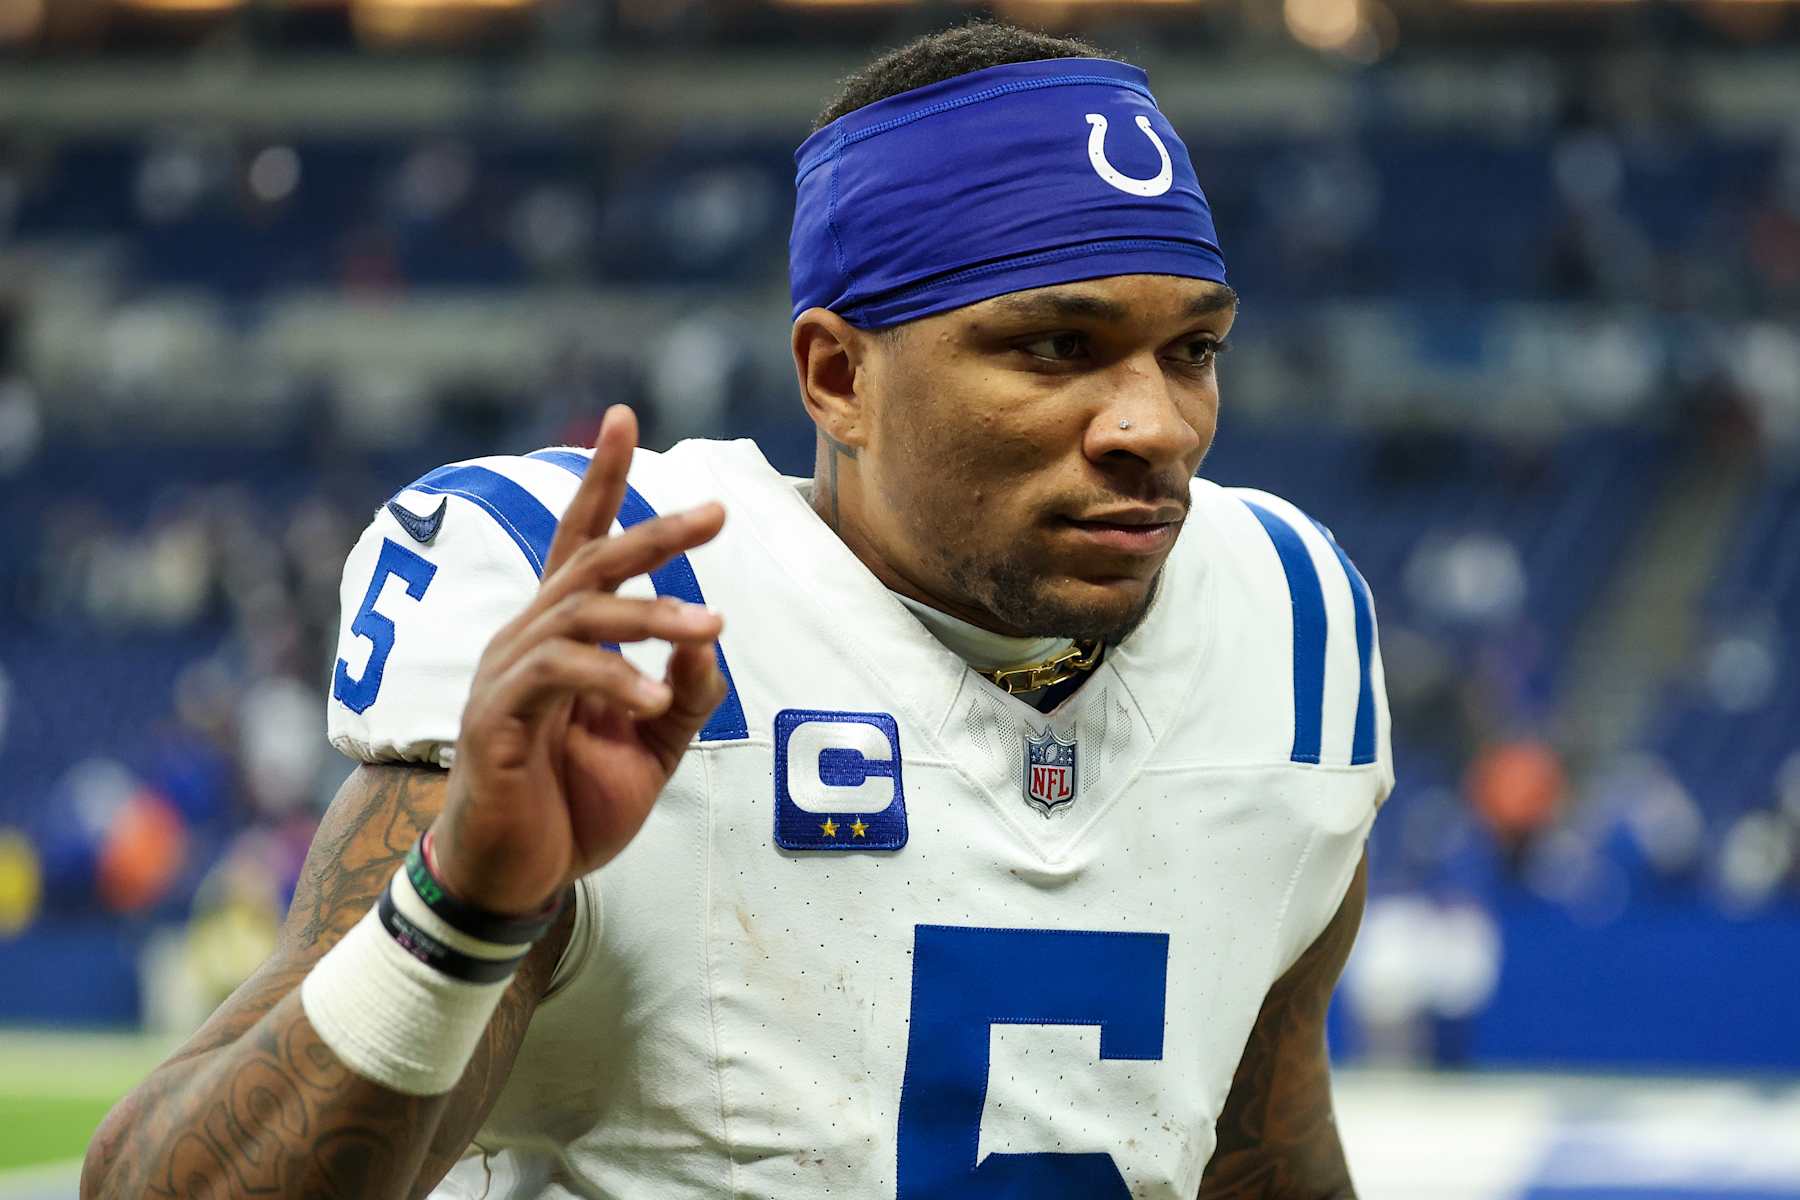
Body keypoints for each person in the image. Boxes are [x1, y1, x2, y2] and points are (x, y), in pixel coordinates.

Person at [83, 21, 1391, 1200]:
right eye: (1053, 347)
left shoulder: (1289, 621)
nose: (1156, 426)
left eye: (1193, 350)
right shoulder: (625, 624)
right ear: (837, 377)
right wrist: (466, 902)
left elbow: (1260, 1152)